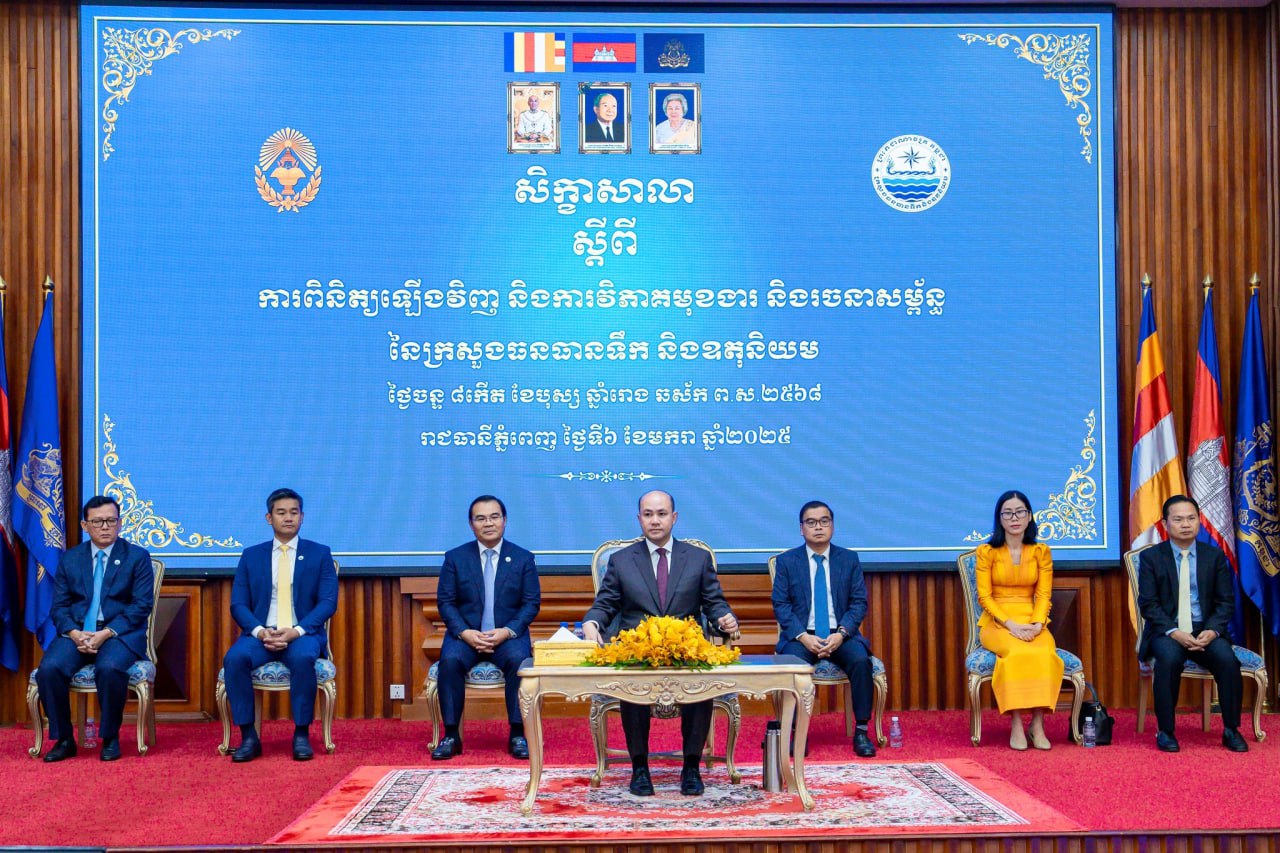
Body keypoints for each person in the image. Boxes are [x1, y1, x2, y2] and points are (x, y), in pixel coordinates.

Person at [583, 490, 738, 797]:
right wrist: (592, 622)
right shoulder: (621, 560)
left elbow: (713, 602)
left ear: (674, 517)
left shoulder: (697, 558)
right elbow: (606, 603)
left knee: (701, 681)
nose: (655, 520)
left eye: (661, 514)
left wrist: (725, 619)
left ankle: (691, 767)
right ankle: (639, 767)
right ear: (639, 518)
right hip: (638, 650)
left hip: (686, 650)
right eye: (648, 514)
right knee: (631, 682)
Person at [222, 488, 338, 762]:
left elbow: (327, 603)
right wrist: (260, 631)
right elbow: (238, 604)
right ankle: (249, 737)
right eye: (281, 512)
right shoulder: (251, 556)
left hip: (302, 633)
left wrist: (296, 631)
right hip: (261, 634)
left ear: (302, 517)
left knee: (303, 658)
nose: (288, 518)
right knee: (234, 659)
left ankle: (301, 734)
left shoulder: (319, 554)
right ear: (269, 518)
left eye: (294, 513)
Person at [36, 496, 154, 762]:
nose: (105, 527)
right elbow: (59, 607)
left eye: (111, 520)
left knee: (109, 668)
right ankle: (64, 739)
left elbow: (140, 606)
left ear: (120, 523)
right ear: (85, 525)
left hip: (118, 634)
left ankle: (110, 737)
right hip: (78, 633)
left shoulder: (137, 557)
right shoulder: (71, 559)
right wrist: (74, 633)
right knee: (50, 669)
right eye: (98, 521)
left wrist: (106, 633)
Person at [432, 495, 541, 760]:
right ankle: (451, 735)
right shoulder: (456, 558)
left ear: (505, 520)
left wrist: (507, 631)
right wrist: (465, 633)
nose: (488, 523)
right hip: (467, 635)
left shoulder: (523, 558)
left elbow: (531, 603)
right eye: (480, 518)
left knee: (519, 661)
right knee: (449, 661)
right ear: (471, 524)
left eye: (494, 517)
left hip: (507, 635)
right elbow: (446, 602)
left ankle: (518, 734)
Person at [1137, 494, 1247, 753]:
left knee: (1228, 660)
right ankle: (1166, 731)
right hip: (1167, 630)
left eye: (1191, 518)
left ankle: (1231, 730)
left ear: (1199, 521)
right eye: (1178, 519)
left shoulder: (1214, 556)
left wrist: (1213, 630)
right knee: (1169, 659)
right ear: (1165, 524)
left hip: (1205, 629)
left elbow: (1225, 601)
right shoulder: (1152, 558)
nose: (1185, 524)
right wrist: (1174, 632)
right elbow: (1149, 604)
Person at [770, 501, 877, 757]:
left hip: (839, 633)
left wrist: (841, 634)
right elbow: (781, 605)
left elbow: (858, 602)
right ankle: (796, 731)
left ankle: (861, 731)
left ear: (832, 525)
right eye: (811, 522)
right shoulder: (787, 561)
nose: (818, 527)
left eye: (824, 521)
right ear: (801, 528)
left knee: (861, 661)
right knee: (792, 665)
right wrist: (802, 637)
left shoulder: (848, 559)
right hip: (802, 635)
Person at [974, 491, 1063, 750]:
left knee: (1044, 650)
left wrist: (1037, 625)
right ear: (999, 518)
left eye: (1020, 512)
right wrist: (1010, 625)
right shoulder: (986, 552)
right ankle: (1015, 722)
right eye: (1008, 513)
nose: (1014, 518)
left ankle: (1037, 724)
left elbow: (1044, 594)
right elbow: (985, 597)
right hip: (997, 622)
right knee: (1016, 651)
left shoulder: (1040, 552)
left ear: (1029, 516)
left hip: (1032, 620)